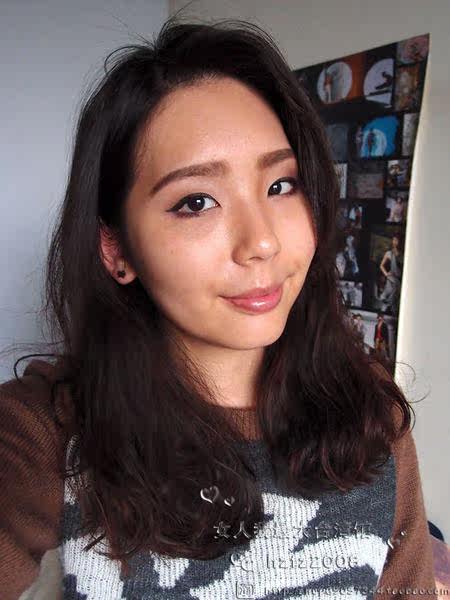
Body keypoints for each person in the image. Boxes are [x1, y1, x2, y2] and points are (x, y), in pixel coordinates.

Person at [0, 15, 437, 600]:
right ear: (116, 248)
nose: (262, 242)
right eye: (197, 201)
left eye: (281, 185)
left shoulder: (370, 412)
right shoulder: (47, 431)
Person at [379, 234, 404, 315]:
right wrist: (386, 274)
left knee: (395, 300)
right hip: (391, 278)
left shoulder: (403, 254)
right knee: (388, 296)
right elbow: (381, 265)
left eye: (396, 240)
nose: (395, 242)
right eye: (394, 240)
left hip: (399, 279)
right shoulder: (389, 253)